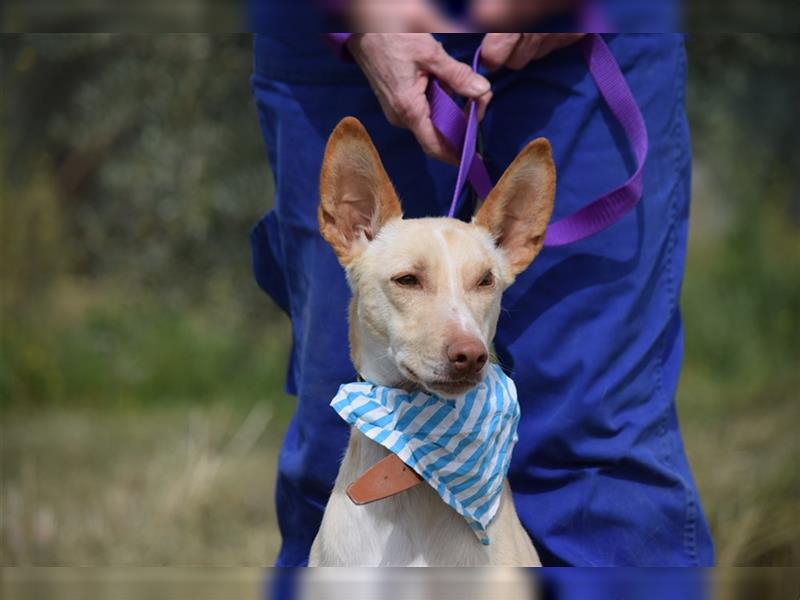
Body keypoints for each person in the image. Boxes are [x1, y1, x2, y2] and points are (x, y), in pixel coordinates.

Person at [249, 6, 715, 566]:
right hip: (337, 38)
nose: (464, 341)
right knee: (336, 441)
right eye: (407, 280)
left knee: (596, 441)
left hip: (590, 36)